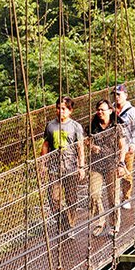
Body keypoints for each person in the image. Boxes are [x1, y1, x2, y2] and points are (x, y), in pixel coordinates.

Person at [40, 96, 86, 237]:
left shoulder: (76, 127)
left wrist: (81, 166)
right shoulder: (50, 125)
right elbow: (46, 144)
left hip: (71, 168)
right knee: (53, 199)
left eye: (64, 109)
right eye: (59, 108)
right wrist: (42, 164)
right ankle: (64, 224)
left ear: (70, 111)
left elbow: (80, 148)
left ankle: (70, 226)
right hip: (54, 169)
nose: (61, 111)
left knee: (71, 199)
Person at [87, 100, 128, 236]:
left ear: (110, 111)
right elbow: (86, 141)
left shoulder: (116, 126)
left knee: (113, 197)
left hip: (112, 164)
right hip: (96, 165)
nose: (100, 112)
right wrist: (92, 147)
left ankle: (114, 224)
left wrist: (122, 164)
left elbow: (123, 147)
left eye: (103, 110)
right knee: (94, 194)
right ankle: (101, 221)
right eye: (98, 110)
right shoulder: (93, 125)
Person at [113, 84, 135, 209]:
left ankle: (126, 197)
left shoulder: (132, 111)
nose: (116, 97)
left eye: (119, 94)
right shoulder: (110, 109)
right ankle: (115, 197)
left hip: (128, 146)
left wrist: (134, 144)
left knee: (127, 172)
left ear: (126, 95)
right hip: (114, 148)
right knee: (113, 173)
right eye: (115, 94)